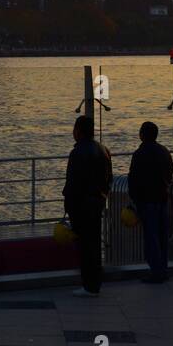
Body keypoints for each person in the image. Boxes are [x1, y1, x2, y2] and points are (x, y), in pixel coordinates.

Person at [63, 115, 112, 297]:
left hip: (82, 205)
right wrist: (102, 197)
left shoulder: (77, 153)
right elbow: (109, 179)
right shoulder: (103, 150)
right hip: (97, 203)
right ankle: (95, 283)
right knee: (95, 244)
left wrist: (69, 206)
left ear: (79, 131)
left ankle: (88, 285)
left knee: (85, 246)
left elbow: (73, 183)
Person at [127, 121, 173, 283]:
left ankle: (156, 272)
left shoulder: (140, 154)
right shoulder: (164, 151)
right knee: (162, 237)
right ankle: (163, 269)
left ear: (142, 135)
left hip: (146, 201)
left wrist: (134, 199)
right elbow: (169, 174)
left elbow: (133, 178)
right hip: (162, 199)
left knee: (151, 237)